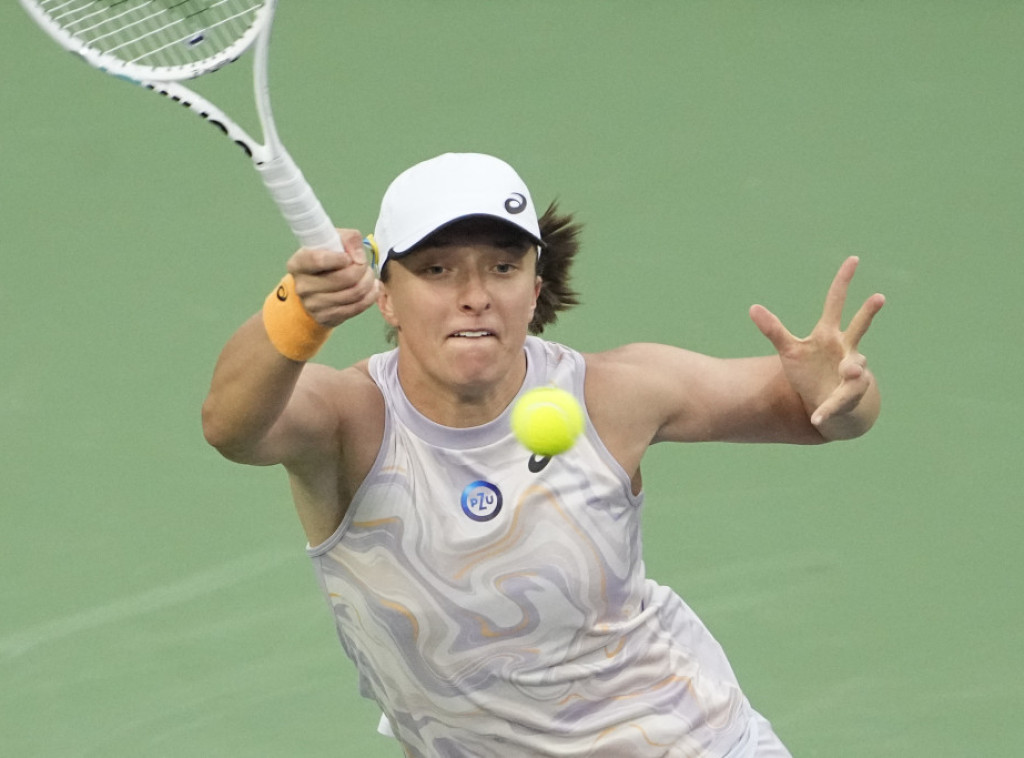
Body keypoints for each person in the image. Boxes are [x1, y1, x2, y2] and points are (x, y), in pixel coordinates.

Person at [202, 152, 884, 757]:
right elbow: (231, 426)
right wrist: (297, 311)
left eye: (503, 268)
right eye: (437, 270)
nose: (475, 297)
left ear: (533, 289)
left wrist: (841, 393)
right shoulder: (351, 422)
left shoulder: (612, 394)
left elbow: (818, 413)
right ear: (386, 292)